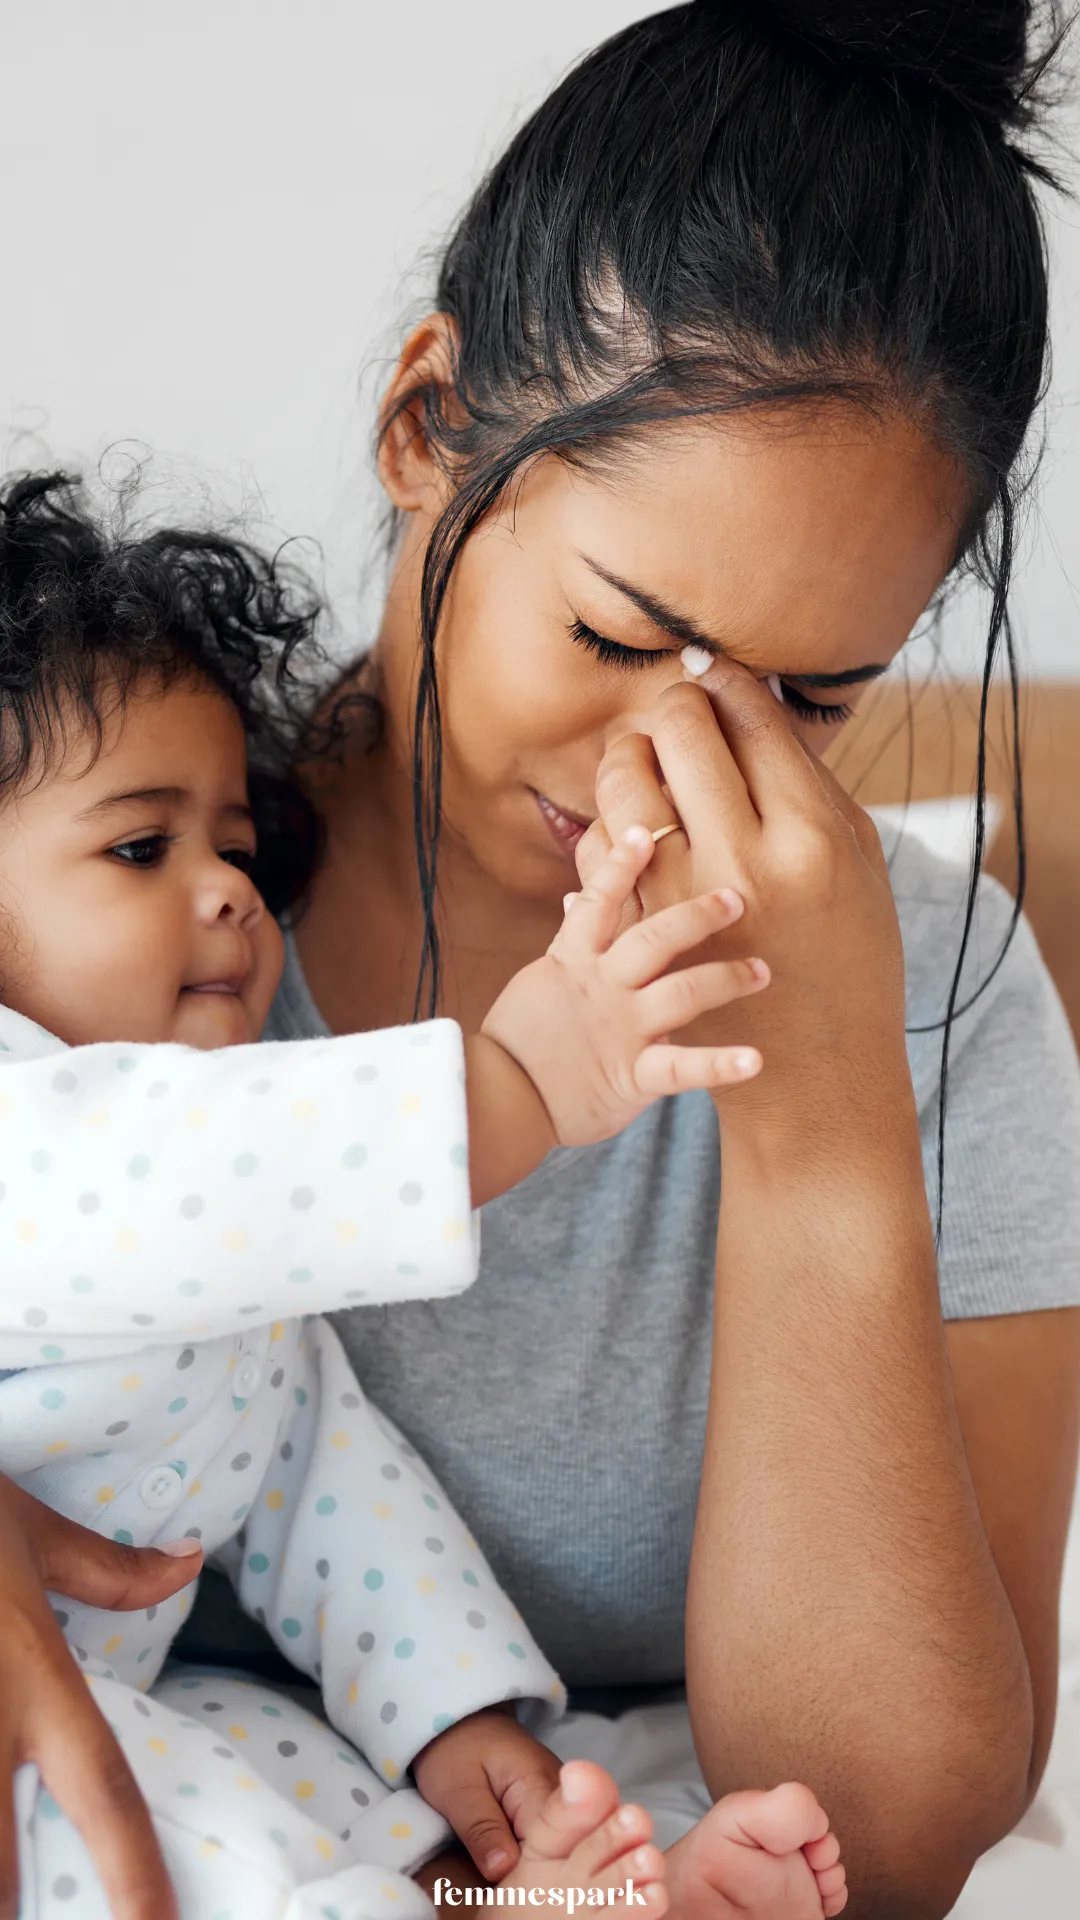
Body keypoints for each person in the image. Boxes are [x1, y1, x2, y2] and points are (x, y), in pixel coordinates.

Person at [2, 2, 1079, 1917]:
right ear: (429, 427)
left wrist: (821, 1111)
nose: (660, 776)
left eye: (807, 703)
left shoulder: (947, 1001)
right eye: (613, 639)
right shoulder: (100, 875)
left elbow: (887, 1842)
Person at [0, 473, 855, 1920]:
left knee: (312, 1775)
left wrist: (458, 1723)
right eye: (142, 848)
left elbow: (325, 1486)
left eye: (236, 850)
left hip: (129, 1690)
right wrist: (522, 1076)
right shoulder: (42, 1132)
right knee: (212, 1838)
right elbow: (195, 1177)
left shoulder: (249, 1294)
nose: (223, 892)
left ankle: (548, 1893)